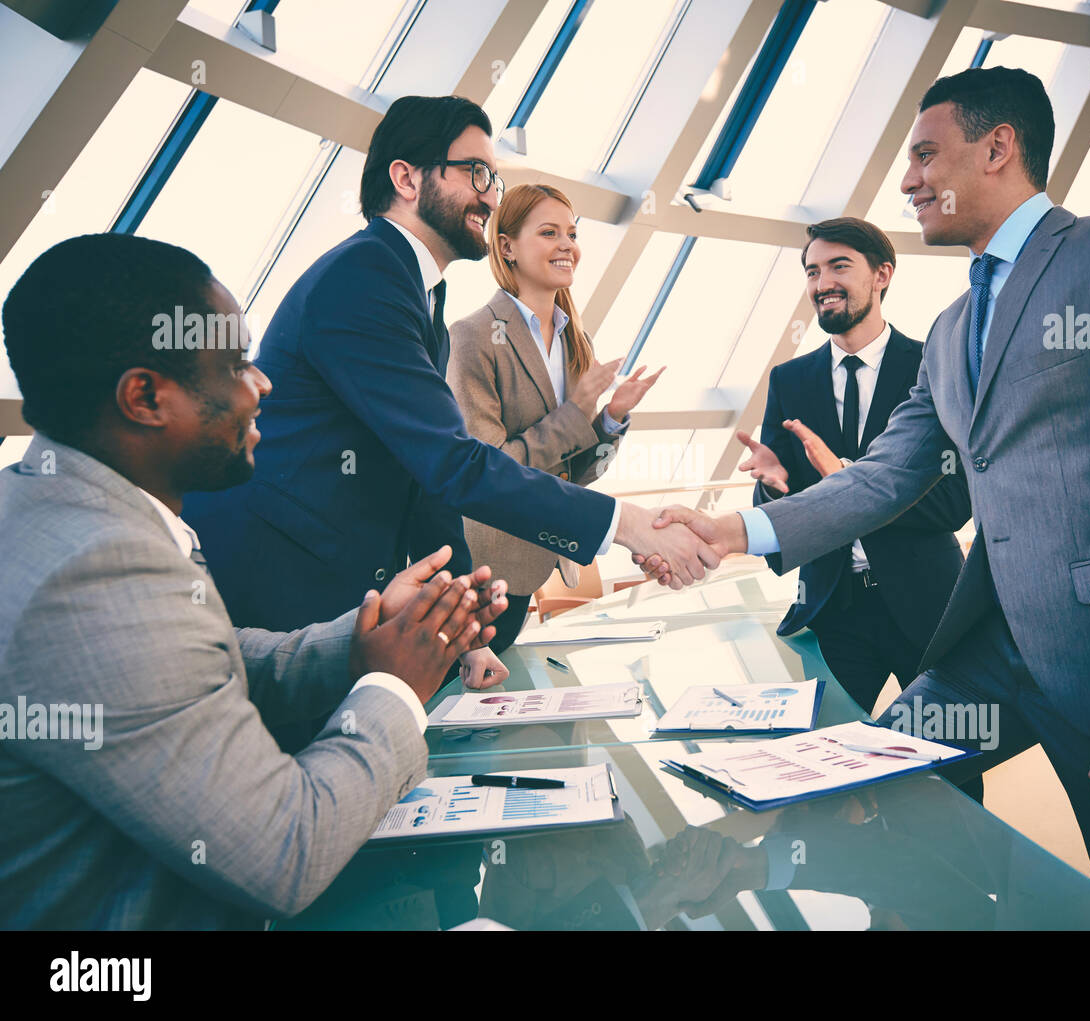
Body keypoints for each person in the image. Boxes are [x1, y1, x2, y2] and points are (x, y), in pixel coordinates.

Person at [645, 66, 1090, 930]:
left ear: (999, 147)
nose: (908, 181)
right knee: (876, 772)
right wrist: (730, 528)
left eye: (927, 155)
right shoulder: (949, 333)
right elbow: (884, 476)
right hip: (996, 653)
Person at [0, 233, 506, 928]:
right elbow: (284, 851)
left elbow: (192, 669)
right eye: (237, 365)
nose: (262, 383)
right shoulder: (90, 571)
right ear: (145, 396)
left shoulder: (61, 506)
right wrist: (394, 687)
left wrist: (361, 646)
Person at [184, 95, 714, 695]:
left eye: (495, 178)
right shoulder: (367, 277)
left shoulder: (417, 293)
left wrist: (467, 632)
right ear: (406, 178)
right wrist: (630, 525)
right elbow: (455, 463)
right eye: (476, 173)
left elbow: (427, 480)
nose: (490, 196)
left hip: (327, 580)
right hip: (280, 579)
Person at [736, 216, 969, 718]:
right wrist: (776, 490)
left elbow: (955, 501)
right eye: (812, 271)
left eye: (838, 266)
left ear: (882, 274)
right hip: (833, 608)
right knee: (822, 755)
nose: (822, 284)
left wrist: (846, 477)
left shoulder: (933, 364)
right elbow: (787, 495)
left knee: (953, 764)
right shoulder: (790, 380)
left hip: (926, 603)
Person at [447, 183, 664, 652]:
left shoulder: (574, 342)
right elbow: (487, 471)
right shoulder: (472, 338)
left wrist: (610, 419)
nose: (567, 245)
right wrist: (574, 414)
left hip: (537, 565)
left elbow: (573, 474)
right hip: (481, 579)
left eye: (572, 232)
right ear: (506, 247)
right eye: (549, 232)